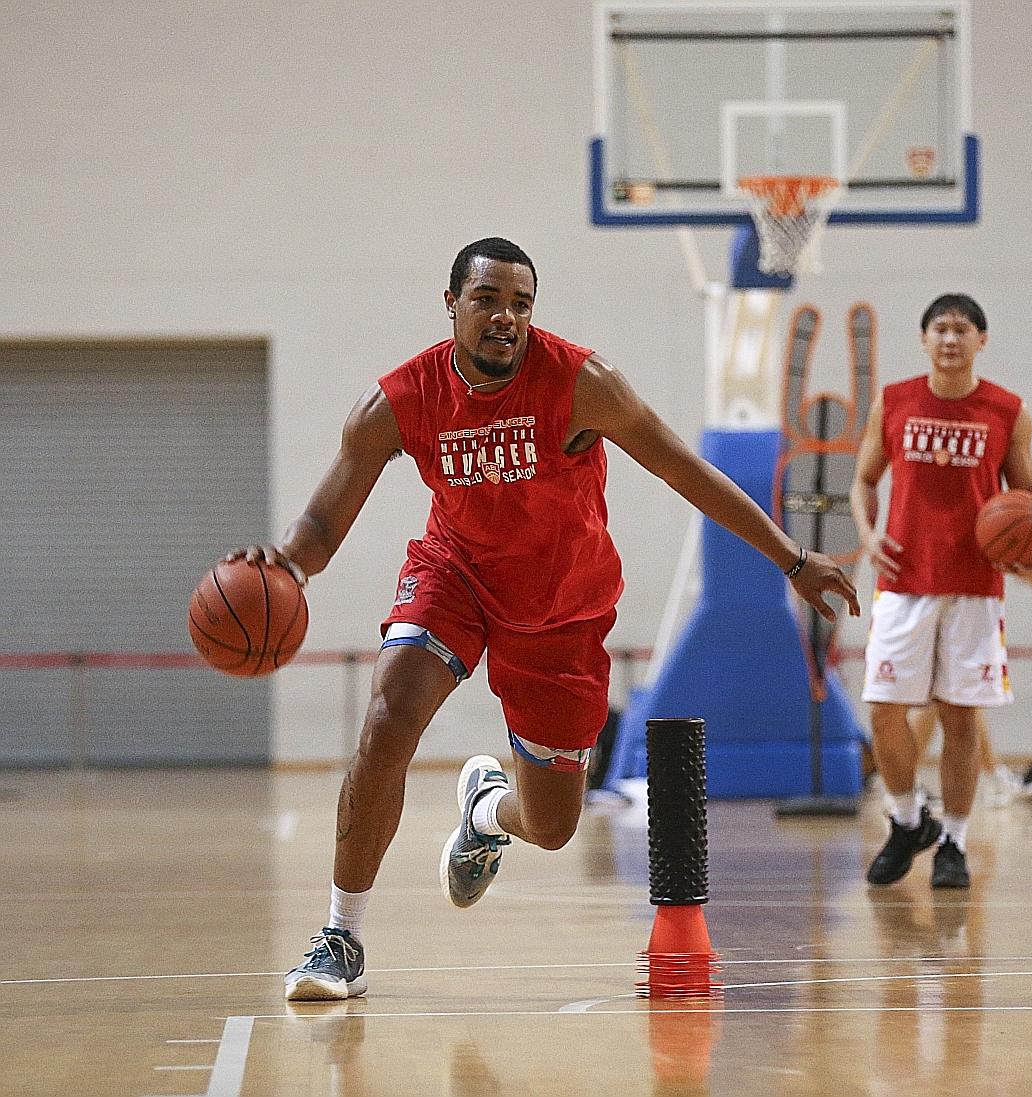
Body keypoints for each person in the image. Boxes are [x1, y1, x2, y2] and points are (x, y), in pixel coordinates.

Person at [233, 238, 859, 1000]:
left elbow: (683, 471)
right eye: (488, 299)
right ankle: (341, 935)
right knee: (388, 718)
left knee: (553, 824)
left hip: (561, 606)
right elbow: (321, 530)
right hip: (453, 575)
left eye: (521, 304)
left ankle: (487, 811)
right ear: (451, 303)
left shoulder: (581, 383)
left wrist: (792, 558)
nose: (506, 317)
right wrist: (285, 566)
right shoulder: (402, 399)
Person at [851, 293, 1032, 890]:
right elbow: (863, 478)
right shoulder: (895, 400)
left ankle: (956, 845)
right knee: (885, 708)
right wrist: (868, 534)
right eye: (940, 328)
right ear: (923, 338)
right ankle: (909, 821)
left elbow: (1027, 503)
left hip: (974, 588)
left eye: (963, 329)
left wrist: (1026, 552)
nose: (951, 339)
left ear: (981, 341)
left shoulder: (1008, 410)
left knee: (960, 717)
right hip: (904, 581)